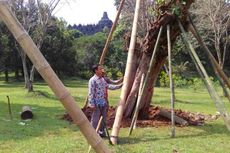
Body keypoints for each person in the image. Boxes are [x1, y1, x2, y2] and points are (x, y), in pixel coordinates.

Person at [88, 64, 122, 137]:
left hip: (104, 102)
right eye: (100, 69)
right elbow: (91, 92)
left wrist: (119, 86)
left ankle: (101, 132)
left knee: (103, 118)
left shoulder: (102, 79)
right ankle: (93, 134)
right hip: (96, 103)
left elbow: (108, 86)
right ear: (96, 70)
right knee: (95, 118)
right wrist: (91, 104)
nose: (102, 70)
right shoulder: (92, 80)